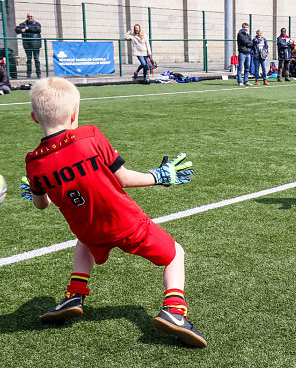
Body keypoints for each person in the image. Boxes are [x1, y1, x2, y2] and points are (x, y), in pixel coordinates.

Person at [22, 77, 207, 348]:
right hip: (125, 223)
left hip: (88, 229)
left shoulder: (34, 162)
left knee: (83, 240)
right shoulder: (89, 135)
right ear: (74, 113)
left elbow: (42, 204)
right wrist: (159, 176)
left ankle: (75, 293)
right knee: (174, 253)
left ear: (34, 117)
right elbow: (122, 178)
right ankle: (175, 311)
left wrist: (35, 192)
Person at [15, 13, 42, 79]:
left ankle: (38, 73)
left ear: (33, 17)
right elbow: (17, 29)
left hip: (36, 44)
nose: (30, 17)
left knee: (37, 59)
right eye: (28, 16)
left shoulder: (37, 24)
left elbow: (37, 30)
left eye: (31, 16)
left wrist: (27, 29)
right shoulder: (23, 24)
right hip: (27, 44)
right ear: (27, 17)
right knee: (29, 59)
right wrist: (21, 30)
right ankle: (28, 74)